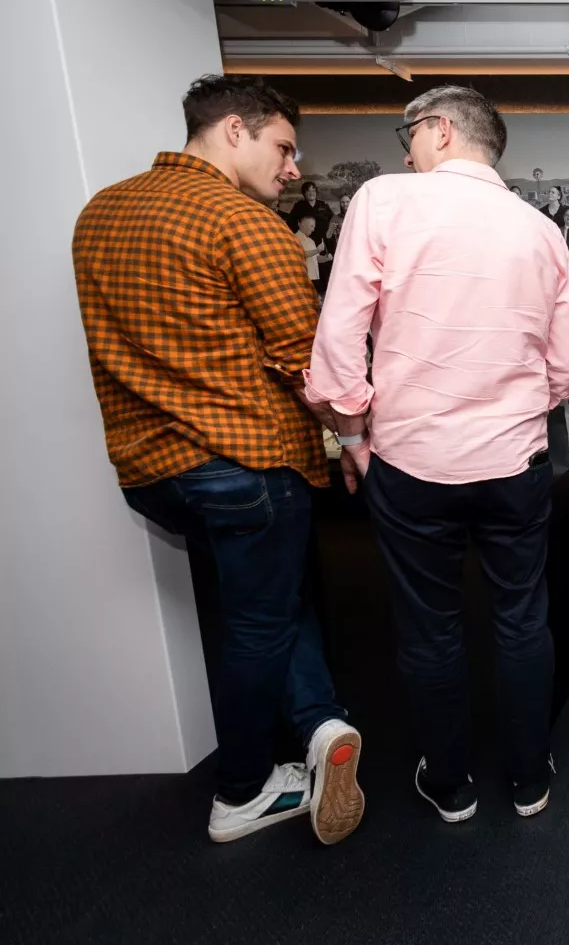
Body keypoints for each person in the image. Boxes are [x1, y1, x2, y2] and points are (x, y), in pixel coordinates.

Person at [73, 74, 364, 846]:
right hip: (248, 465)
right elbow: (310, 366)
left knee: (268, 606)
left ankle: (319, 726)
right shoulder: (248, 224)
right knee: (258, 626)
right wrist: (351, 441)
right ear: (234, 129)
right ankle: (240, 791)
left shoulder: (99, 212)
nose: (294, 167)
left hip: (151, 472)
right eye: (284, 146)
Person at [308, 84, 569, 825]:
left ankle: (451, 783)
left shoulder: (385, 199)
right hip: (514, 464)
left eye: (409, 135)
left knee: (429, 627)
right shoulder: (540, 229)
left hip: (410, 464)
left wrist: (355, 437)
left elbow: (338, 343)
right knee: (523, 621)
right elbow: (566, 368)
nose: (405, 152)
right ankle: (529, 779)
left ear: (437, 130)